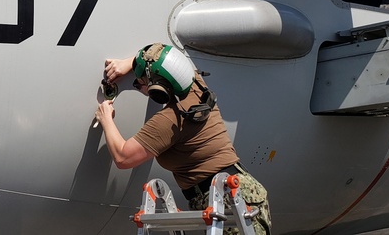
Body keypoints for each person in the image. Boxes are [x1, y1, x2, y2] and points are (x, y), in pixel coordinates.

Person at [95, 43, 271, 234]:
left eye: (140, 83)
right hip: (233, 194)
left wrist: (106, 119)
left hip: (231, 201)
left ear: (158, 88)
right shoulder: (195, 83)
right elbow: (165, 54)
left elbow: (123, 157)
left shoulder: (170, 120)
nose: (138, 86)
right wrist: (129, 63)